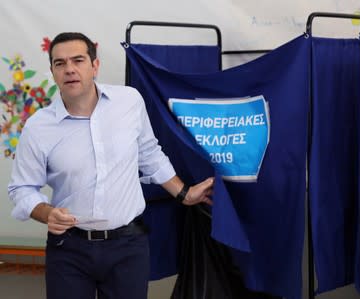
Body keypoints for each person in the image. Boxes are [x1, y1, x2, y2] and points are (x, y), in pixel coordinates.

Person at [8, 32, 214, 299]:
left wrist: (184, 193)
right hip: (69, 248)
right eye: (60, 63)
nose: (69, 69)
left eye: (78, 60)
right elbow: (22, 188)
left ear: (95, 66)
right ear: (53, 71)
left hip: (128, 247)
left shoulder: (129, 102)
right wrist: (47, 212)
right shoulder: (38, 127)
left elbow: (149, 154)